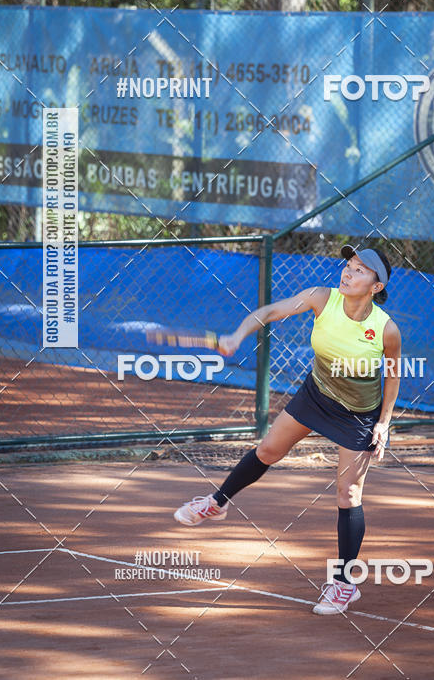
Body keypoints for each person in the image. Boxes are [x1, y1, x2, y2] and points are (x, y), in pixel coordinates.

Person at [174, 244, 402, 615]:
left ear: (376, 287)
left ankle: (344, 583)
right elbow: (271, 311)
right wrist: (237, 335)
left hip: (358, 414)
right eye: (348, 265)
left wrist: (384, 422)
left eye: (360, 270)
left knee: (349, 494)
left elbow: (392, 375)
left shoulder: (386, 329)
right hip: (317, 395)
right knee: (266, 451)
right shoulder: (320, 298)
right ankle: (216, 504)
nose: (348, 272)